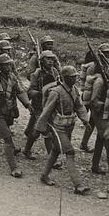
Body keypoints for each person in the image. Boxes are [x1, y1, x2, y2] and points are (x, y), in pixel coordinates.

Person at [35, 65, 91, 195]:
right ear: (65, 78)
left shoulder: (74, 90)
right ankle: (78, 184)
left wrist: (85, 120)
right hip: (57, 127)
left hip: (68, 126)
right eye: (72, 77)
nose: (75, 79)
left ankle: (44, 175)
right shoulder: (56, 92)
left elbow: (79, 106)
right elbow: (46, 111)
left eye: (75, 77)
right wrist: (41, 128)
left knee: (55, 151)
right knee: (70, 152)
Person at [0, 52, 31, 177]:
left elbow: (20, 92)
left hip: (9, 112)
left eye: (9, 65)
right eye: (5, 65)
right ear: (0, 66)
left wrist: (27, 104)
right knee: (8, 139)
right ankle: (13, 168)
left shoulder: (12, 77)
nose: (9, 67)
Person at [22, 50, 61, 160]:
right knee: (46, 132)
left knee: (35, 132)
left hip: (50, 105)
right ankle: (52, 159)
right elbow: (30, 91)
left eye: (52, 59)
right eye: (48, 59)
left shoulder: (55, 72)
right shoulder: (37, 74)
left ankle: (26, 150)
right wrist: (41, 93)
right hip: (39, 106)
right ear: (42, 61)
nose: (50, 61)